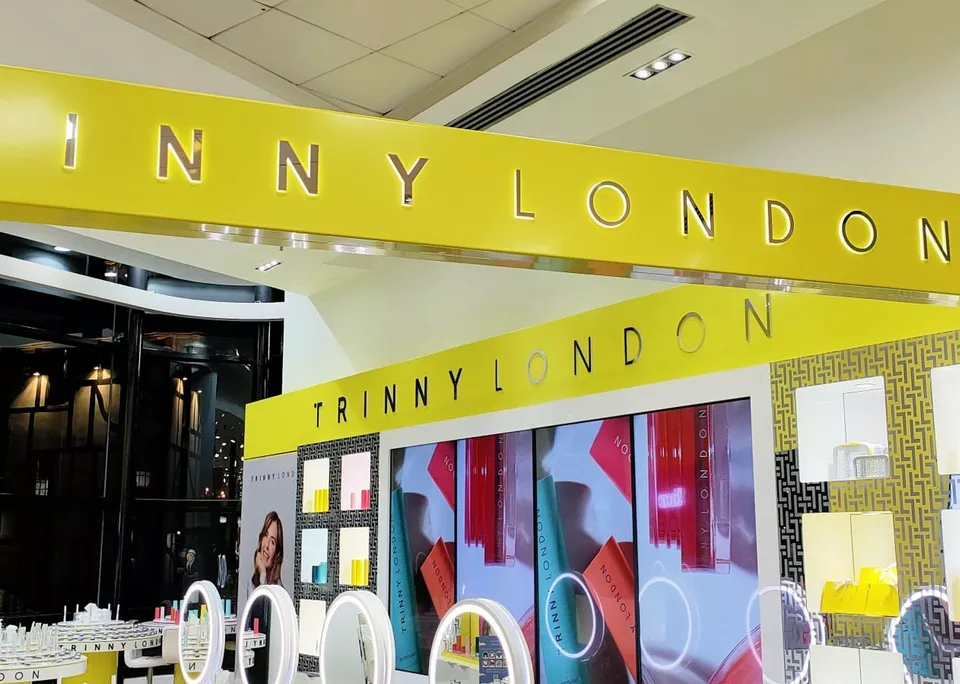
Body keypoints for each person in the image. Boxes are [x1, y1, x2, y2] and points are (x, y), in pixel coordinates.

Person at [249, 511, 284, 593]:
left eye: (272, 542)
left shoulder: (279, 590)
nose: (266, 546)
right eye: (265, 535)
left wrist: (263, 574)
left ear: (277, 554)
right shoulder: (250, 583)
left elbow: (263, 603)